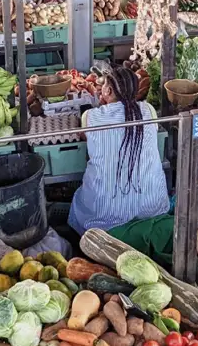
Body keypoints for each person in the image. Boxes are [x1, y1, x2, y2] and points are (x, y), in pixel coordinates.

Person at [68, 67, 170, 236]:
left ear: (107, 90)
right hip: (152, 207)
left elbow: (88, 138)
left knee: (80, 199)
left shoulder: (90, 116)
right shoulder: (148, 110)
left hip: (104, 214)